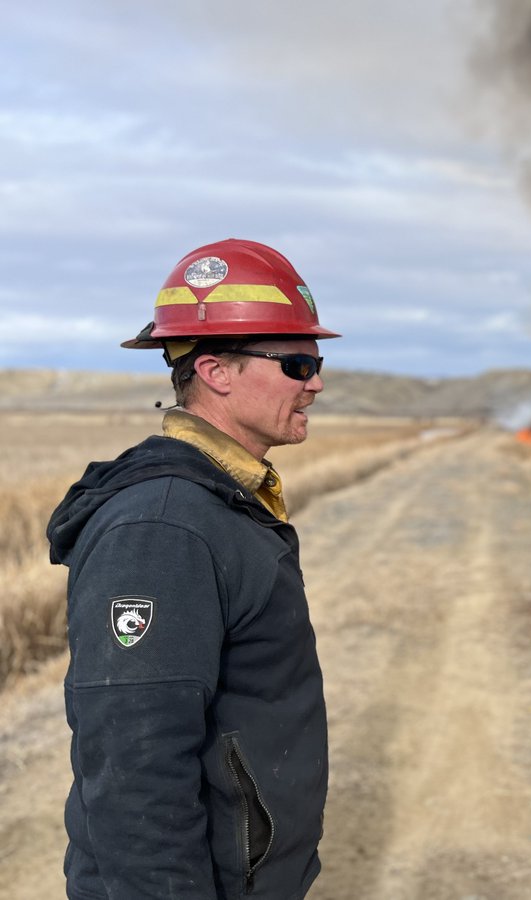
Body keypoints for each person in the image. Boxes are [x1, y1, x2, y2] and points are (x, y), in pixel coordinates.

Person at [46, 238, 339, 899]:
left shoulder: (221, 505)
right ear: (216, 371)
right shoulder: (163, 531)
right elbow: (135, 772)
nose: (315, 381)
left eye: (316, 361)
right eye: (296, 362)